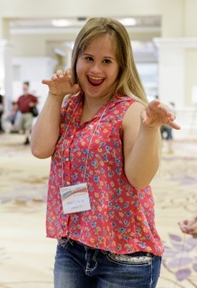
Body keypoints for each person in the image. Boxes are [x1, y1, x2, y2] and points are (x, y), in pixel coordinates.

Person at [31, 17, 180, 288]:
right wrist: (54, 96)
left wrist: (150, 129)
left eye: (107, 61)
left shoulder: (130, 110)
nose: (96, 69)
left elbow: (139, 178)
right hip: (72, 247)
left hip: (124, 257)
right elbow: (40, 149)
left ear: (122, 66)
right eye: (88, 57)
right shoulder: (69, 107)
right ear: (76, 59)